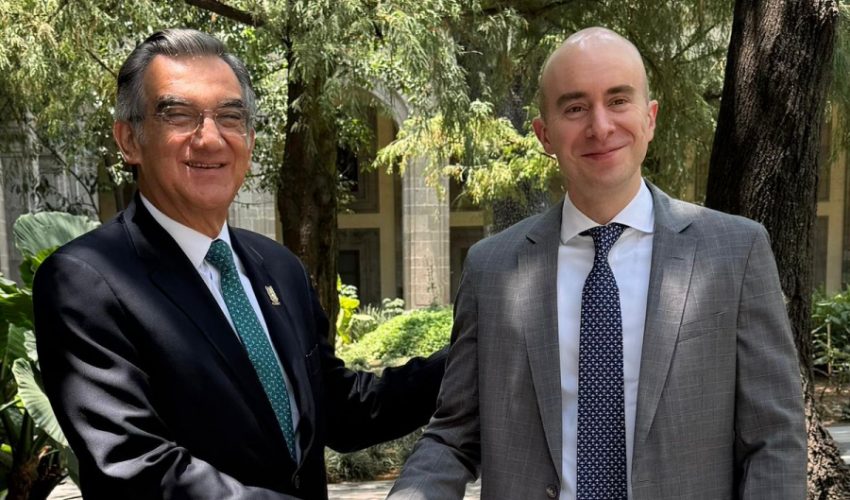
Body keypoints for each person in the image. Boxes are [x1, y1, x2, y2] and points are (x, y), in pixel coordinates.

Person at [388, 27, 806, 500]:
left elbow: (774, 440)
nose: (600, 126)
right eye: (575, 108)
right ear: (545, 135)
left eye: (618, 100)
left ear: (650, 118)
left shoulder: (735, 251)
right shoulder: (492, 268)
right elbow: (453, 436)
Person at [33, 28, 445, 500]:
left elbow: (342, 410)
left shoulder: (280, 268)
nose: (210, 138)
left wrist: (472, 353)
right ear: (129, 140)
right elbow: (138, 467)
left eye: (230, 117)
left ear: (248, 139)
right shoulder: (85, 281)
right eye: (179, 115)